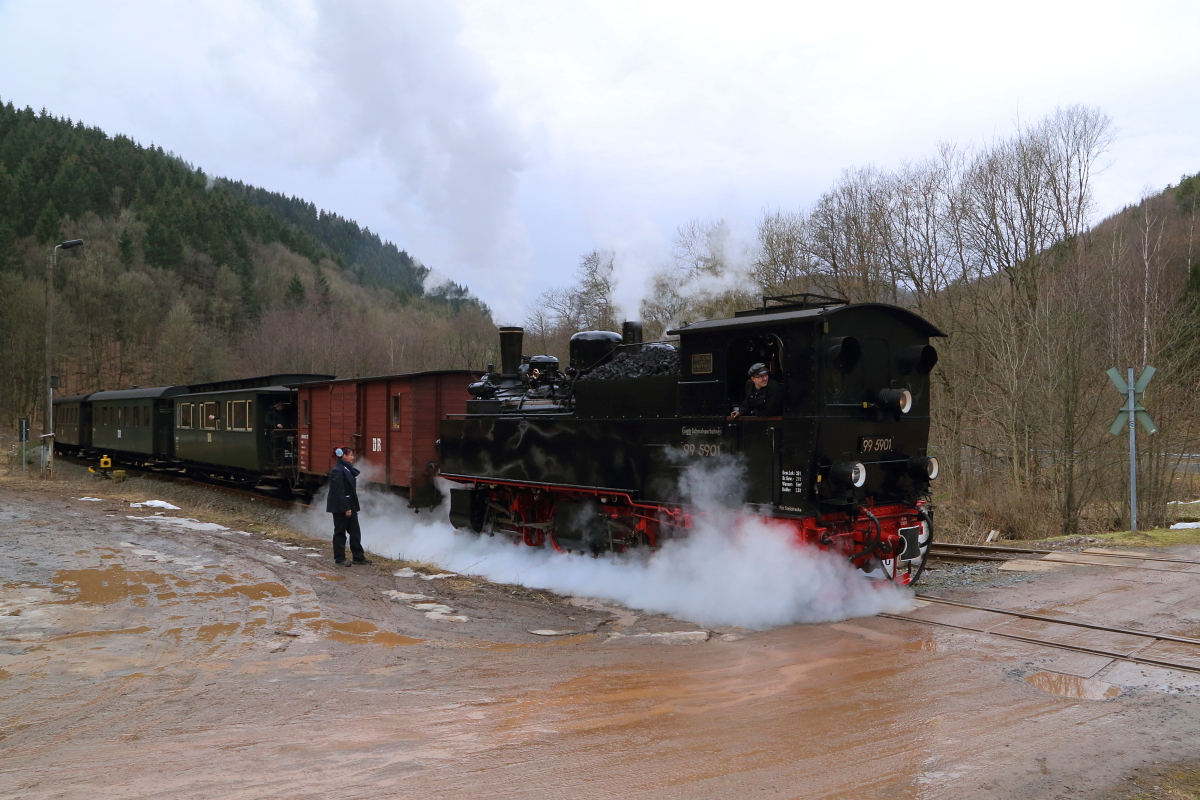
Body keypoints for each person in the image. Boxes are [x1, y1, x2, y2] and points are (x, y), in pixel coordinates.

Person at [327, 446, 371, 567]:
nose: (353, 457)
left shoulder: (346, 468)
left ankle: (358, 556)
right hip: (341, 507)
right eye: (351, 455)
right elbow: (339, 492)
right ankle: (340, 558)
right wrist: (345, 508)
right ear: (344, 456)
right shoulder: (337, 470)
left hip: (350, 505)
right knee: (340, 533)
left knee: (355, 531)